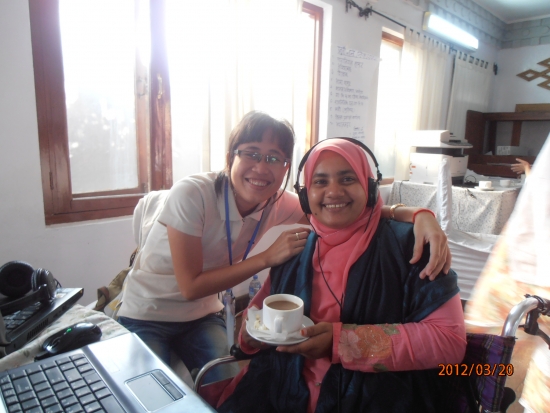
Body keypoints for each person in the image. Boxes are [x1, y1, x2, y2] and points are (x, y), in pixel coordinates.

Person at [117, 112, 452, 383]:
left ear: (286, 170)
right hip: (148, 312)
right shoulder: (193, 194)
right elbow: (191, 286)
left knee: (220, 385)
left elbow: (339, 209)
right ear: (229, 157)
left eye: (274, 158)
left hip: (201, 316)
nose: (262, 167)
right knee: (144, 394)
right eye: (250, 153)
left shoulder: (279, 203)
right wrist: (266, 258)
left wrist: (418, 214)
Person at [217, 138, 466, 412]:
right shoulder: (295, 249)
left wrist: (343, 342)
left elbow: (449, 341)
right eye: (320, 182)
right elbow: (258, 313)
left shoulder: (412, 246)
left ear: (369, 188)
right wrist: (250, 338)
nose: (333, 192)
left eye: (347, 179)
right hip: (282, 392)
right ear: (305, 195)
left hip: (372, 399)